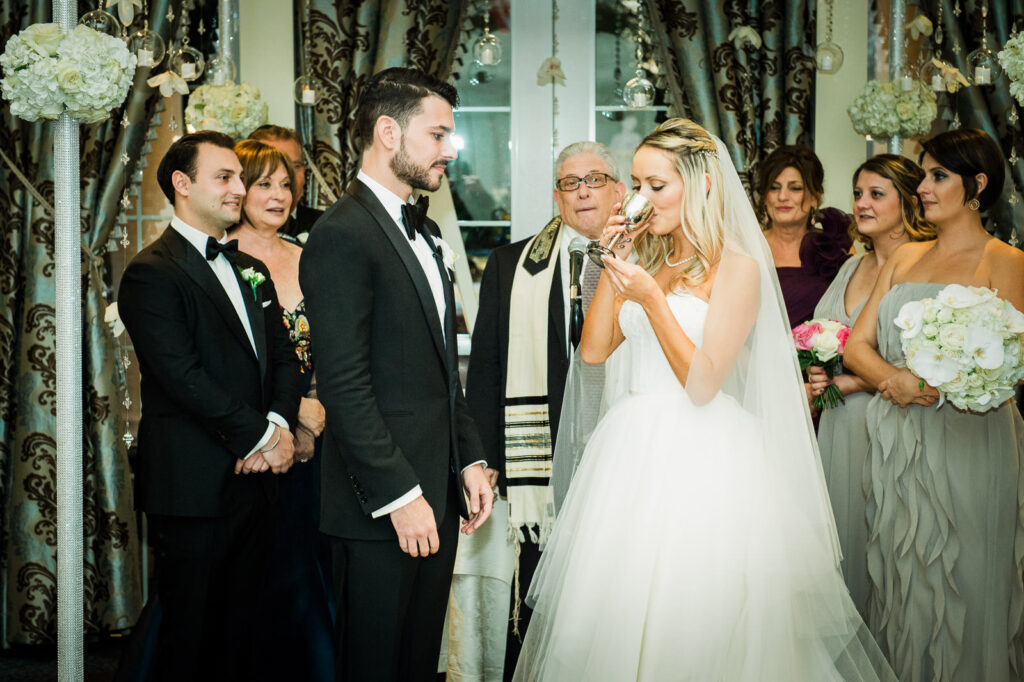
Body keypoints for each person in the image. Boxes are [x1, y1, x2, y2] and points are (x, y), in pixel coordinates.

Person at [512, 118, 895, 680]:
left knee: (699, 623)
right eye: (637, 185)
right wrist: (615, 262)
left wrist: (652, 300)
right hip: (630, 450)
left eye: (656, 185)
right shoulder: (645, 256)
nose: (641, 199)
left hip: (704, 454)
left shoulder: (737, 265)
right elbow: (593, 351)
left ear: (701, 184)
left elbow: (703, 384)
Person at [299, 67, 494, 681]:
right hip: (381, 505)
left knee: (416, 663)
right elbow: (344, 385)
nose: (448, 150)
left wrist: (467, 459)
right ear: (389, 132)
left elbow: (440, 372)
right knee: (374, 666)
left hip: (436, 490)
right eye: (437, 135)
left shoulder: (426, 230)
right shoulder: (341, 234)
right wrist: (400, 497)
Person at [117, 130, 303, 681]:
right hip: (193, 487)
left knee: (243, 634)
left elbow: (285, 362)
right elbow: (183, 377)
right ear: (181, 184)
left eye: (238, 178)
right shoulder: (151, 272)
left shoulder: (251, 267)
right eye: (225, 177)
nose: (237, 189)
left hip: (257, 487)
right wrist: (263, 439)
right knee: (189, 637)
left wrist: (274, 423)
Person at [845, 128, 1024, 682]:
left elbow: (1014, 362)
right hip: (899, 441)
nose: (921, 186)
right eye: (923, 175)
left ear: (977, 186)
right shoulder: (904, 258)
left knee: (969, 575)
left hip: (973, 440)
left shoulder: (1007, 260)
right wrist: (893, 380)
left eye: (936, 176)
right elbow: (856, 346)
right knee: (901, 572)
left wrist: (959, 382)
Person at [463, 141, 625, 679]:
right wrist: (484, 457)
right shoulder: (512, 263)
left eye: (595, 179)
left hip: (625, 444)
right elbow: (486, 364)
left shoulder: (647, 257)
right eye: (570, 183)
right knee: (539, 587)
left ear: (619, 189)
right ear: (556, 196)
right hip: (540, 457)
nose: (582, 191)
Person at [807, 154, 935, 617]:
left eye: (876, 194)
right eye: (858, 193)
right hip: (839, 421)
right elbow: (829, 335)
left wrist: (856, 380)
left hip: (891, 417)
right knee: (841, 537)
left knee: (884, 538)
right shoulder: (851, 266)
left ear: (907, 203)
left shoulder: (925, 267)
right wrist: (817, 371)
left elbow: (926, 357)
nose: (861, 204)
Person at [227, 139, 333, 681]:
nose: (277, 195)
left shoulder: (309, 257)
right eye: (263, 183)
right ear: (239, 188)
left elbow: (338, 348)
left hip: (318, 440)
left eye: (286, 185)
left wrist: (315, 412)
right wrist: (281, 427)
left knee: (305, 566)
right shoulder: (220, 259)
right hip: (248, 449)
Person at [756, 144, 852, 329]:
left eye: (795, 188)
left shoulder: (833, 248)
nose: (782, 196)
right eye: (774, 188)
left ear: (815, 197)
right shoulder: (745, 246)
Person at [249, 124, 322, 240]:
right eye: (274, 168)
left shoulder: (325, 225)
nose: (288, 177)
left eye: (296, 166)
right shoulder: (226, 233)